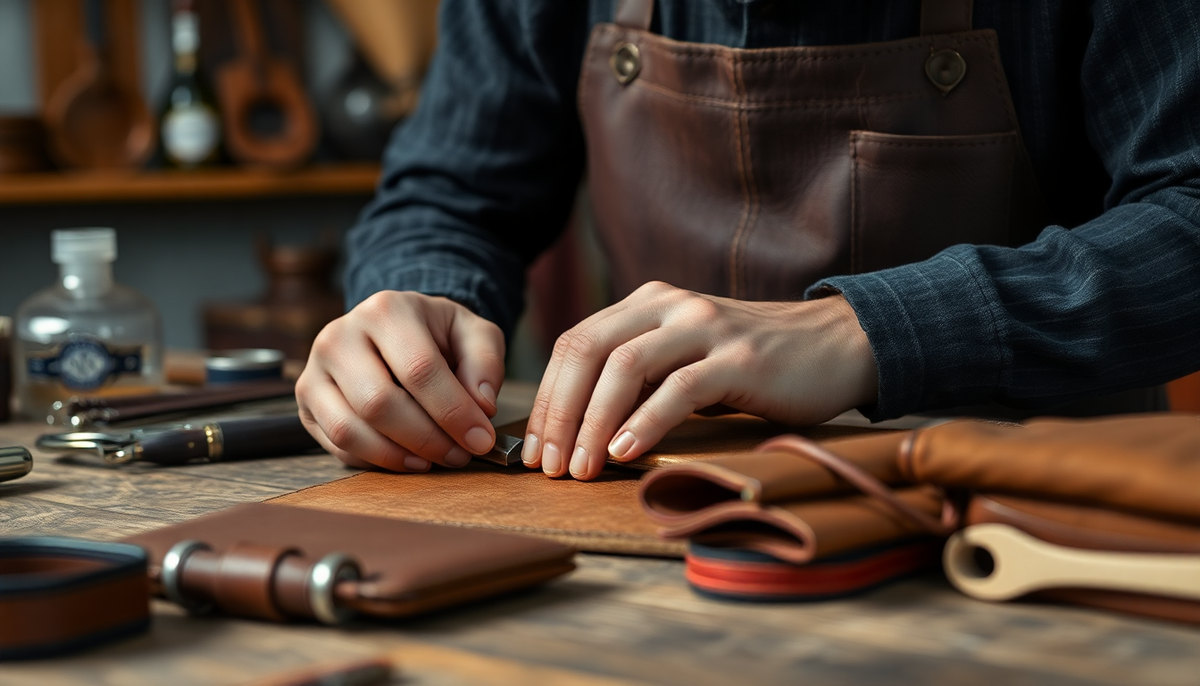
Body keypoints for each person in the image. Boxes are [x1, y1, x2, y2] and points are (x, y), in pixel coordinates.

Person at [296, 0, 1200, 482]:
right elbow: (453, 191)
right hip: (658, 515)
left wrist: (872, 328)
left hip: (1033, 524)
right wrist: (421, 305)